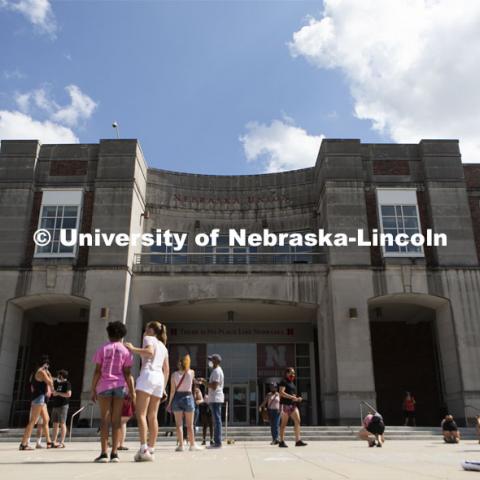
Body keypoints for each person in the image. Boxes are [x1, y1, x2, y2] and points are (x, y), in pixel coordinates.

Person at [90, 321, 135, 463]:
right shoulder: (126, 351)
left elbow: (97, 371)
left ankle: (103, 453)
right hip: (120, 386)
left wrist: (92, 389)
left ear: (109, 334)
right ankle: (114, 453)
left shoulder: (102, 349)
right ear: (123, 335)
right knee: (117, 421)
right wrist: (132, 391)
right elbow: (128, 373)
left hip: (104, 386)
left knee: (104, 420)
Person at [125, 321, 169, 462]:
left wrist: (133, 349)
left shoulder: (148, 338)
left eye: (146, 328)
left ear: (151, 330)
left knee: (141, 414)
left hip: (147, 375)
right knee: (153, 416)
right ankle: (151, 449)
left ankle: (143, 449)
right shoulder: (163, 346)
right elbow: (166, 369)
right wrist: (163, 388)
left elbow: (149, 352)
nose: (144, 331)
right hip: (159, 379)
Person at [167, 354, 203, 451]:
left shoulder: (174, 375)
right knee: (190, 425)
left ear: (179, 364)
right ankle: (192, 445)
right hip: (188, 397)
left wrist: (169, 403)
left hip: (177, 398)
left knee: (179, 425)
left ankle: (181, 445)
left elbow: (172, 391)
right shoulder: (191, 372)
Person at [19, 355, 55, 450]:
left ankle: (49, 442)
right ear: (44, 364)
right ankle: (23, 444)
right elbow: (50, 383)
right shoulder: (42, 372)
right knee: (32, 421)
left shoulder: (38, 371)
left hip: (40, 398)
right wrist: (49, 374)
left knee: (46, 419)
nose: (47, 366)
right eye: (47, 364)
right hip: (38, 398)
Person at [278, 367, 307, 448]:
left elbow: (292, 395)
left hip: (293, 405)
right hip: (285, 406)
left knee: (297, 421)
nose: (293, 374)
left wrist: (297, 398)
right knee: (283, 424)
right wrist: (292, 397)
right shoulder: (283, 381)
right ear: (287, 373)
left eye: (294, 373)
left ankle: (298, 440)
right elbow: (281, 393)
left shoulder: (292, 383)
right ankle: (281, 441)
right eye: (291, 373)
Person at [201, 354, 224, 448]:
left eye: (211, 360)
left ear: (216, 361)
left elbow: (214, 386)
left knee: (217, 421)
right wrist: (205, 381)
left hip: (216, 399)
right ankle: (217, 442)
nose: (209, 362)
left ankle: (217, 443)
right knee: (216, 421)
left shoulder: (216, 371)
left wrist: (203, 382)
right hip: (214, 399)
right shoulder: (215, 371)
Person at [51, 369, 72, 448]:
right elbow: (51, 379)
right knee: (55, 424)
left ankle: (62, 442)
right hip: (55, 405)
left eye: (59, 375)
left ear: (62, 376)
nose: (58, 376)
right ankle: (53, 441)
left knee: (62, 423)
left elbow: (68, 394)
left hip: (63, 406)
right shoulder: (56, 383)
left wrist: (58, 393)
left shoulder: (67, 383)